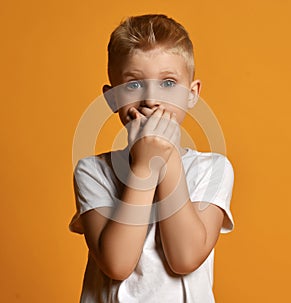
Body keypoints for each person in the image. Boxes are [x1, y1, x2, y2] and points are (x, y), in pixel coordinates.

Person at [69, 14, 234, 303]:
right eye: (133, 85)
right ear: (112, 99)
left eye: (168, 83)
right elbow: (117, 264)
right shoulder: (92, 171)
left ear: (192, 94)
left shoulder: (213, 169)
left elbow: (184, 257)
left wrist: (166, 160)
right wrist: (144, 166)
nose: (151, 100)